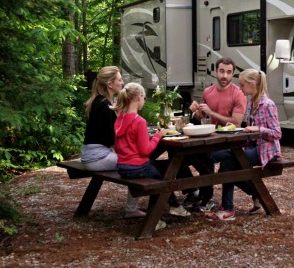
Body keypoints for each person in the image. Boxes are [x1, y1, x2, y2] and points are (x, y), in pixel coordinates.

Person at [206, 69, 282, 221]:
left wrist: (258, 129)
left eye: (242, 85)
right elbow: (249, 129)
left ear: (252, 84)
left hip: (266, 151)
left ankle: (228, 209)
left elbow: (277, 133)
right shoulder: (252, 102)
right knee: (230, 164)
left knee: (228, 162)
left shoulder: (268, 104)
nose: (240, 88)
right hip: (253, 148)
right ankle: (255, 193)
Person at [113, 82, 191, 228]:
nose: (143, 101)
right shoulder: (139, 121)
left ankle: (174, 206)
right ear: (137, 98)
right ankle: (154, 219)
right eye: (143, 97)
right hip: (137, 168)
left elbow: (118, 147)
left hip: (123, 167)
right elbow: (145, 151)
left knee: (167, 168)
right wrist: (158, 135)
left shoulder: (120, 119)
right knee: (166, 174)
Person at [80, 66, 145, 219]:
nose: (123, 83)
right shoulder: (104, 106)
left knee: (133, 160)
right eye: (119, 80)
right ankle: (131, 209)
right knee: (136, 163)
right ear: (110, 84)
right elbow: (111, 138)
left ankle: (133, 208)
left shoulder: (99, 101)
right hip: (97, 157)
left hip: (92, 154)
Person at [186, 57, 247, 212]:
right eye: (221, 71)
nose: (224, 76)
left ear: (233, 74)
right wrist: (196, 112)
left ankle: (207, 197)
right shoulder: (208, 92)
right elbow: (202, 117)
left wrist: (211, 112)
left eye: (228, 72)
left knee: (210, 159)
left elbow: (236, 121)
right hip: (210, 140)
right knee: (188, 155)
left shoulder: (238, 94)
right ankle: (199, 194)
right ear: (215, 71)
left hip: (230, 143)